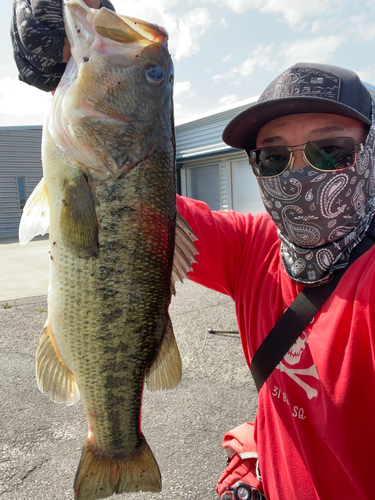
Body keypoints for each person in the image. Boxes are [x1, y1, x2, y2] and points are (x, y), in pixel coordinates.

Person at [11, 2, 375, 499]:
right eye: (271, 157)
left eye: (330, 151)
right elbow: (139, 199)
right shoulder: (255, 249)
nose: (298, 174)